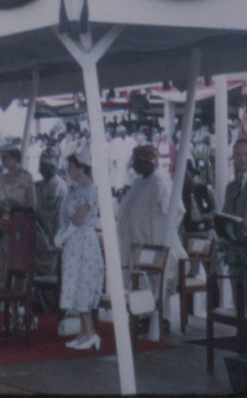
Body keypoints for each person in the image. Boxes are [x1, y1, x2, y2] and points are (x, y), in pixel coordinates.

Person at [117, 144, 186, 332]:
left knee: (157, 281)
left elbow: (176, 211)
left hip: (155, 242)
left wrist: (161, 236)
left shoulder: (160, 181)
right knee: (141, 280)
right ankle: (145, 315)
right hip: (138, 243)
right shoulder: (139, 181)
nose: (134, 166)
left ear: (145, 162)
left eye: (137, 162)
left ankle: (162, 318)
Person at [57, 148, 104, 350]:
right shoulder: (75, 188)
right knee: (76, 284)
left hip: (84, 241)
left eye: (71, 166)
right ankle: (84, 332)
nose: (68, 169)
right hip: (75, 242)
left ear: (81, 168)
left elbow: (79, 218)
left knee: (84, 283)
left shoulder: (89, 190)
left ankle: (92, 333)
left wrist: (62, 237)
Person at [0, 145, 36, 289]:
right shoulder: (0, 179)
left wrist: (15, 211)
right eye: (1, 158)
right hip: (3, 226)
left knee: (17, 262)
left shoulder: (26, 177)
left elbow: (32, 205)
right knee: (0, 258)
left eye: (7, 158)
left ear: (16, 158)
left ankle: (16, 296)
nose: (4, 161)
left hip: (20, 226)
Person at [34, 148, 68, 313]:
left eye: (46, 166)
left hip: (53, 239)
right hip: (39, 239)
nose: (42, 168)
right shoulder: (38, 185)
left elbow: (60, 215)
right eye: (41, 165)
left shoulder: (60, 186)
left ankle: (52, 309)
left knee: (53, 279)